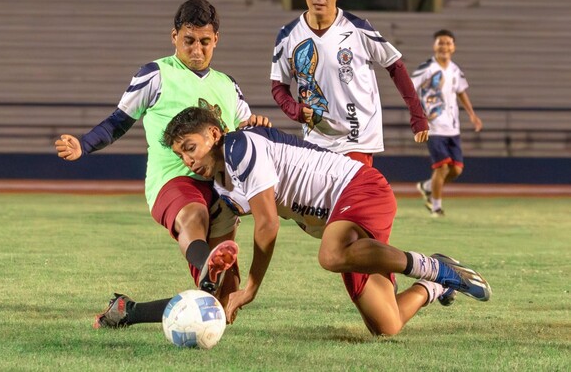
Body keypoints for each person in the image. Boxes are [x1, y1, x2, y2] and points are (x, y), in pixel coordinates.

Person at [158, 106, 490, 337]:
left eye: (191, 147)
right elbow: (223, 254)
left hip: (358, 188)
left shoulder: (238, 147)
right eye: (181, 155)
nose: (188, 160)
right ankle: (434, 284)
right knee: (386, 325)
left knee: (331, 255)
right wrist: (217, 299)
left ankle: (433, 268)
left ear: (214, 134)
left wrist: (250, 290)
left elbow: (268, 224)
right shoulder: (222, 189)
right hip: (342, 222)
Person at [54, 0, 269, 327]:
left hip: (221, 188)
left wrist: (257, 129)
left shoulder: (228, 85)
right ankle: (209, 261)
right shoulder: (155, 74)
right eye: (189, 40)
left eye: (204, 42)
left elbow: (243, 132)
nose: (197, 49)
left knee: (220, 307)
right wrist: (84, 144)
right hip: (174, 181)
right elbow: (118, 121)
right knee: (192, 215)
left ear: (216, 40)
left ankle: (130, 311)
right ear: (174, 37)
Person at [271, 0, 429, 168]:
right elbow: (279, 86)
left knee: (352, 199)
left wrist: (417, 115)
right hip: (316, 137)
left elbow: (395, 66)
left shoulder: (358, 28)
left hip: (358, 136)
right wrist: (295, 110)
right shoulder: (287, 35)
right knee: (321, 201)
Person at [411, 29, 483, 217]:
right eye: (440, 43)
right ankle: (436, 207)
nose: (444, 46)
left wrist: (472, 114)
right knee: (442, 166)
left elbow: (460, 91)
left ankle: (426, 186)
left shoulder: (454, 69)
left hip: (452, 127)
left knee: (456, 170)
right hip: (434, 127)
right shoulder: (426, 67)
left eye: (448, 43)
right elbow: (409, 87)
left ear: (454, 47)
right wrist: (418, 113)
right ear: (434, 46)